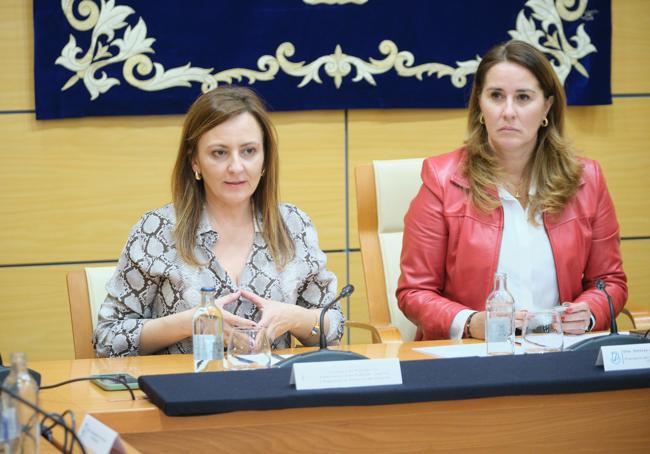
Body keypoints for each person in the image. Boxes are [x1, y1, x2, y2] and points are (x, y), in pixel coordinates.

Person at [396, 40, 627, 341]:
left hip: (561, 352)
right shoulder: (441, 180)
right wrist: (470, 322)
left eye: (523, 97)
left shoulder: (587, 180)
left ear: (546, 106)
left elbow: (609, 282)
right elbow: (414, 292)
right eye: (496, 96)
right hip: (475, 356)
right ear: (479, 104)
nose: (508, 111)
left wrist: (588, 312)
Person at [94, 86, 344, 357]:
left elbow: (333, 327)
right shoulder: (157, 230)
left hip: (273, 392)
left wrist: (294, 318)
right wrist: (190, 323)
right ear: (195, 161)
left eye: (248, 151)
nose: (236, 167)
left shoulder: (294, 225)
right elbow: (108, 340)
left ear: (264, 160)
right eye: (219, 153)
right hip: (184, 392)